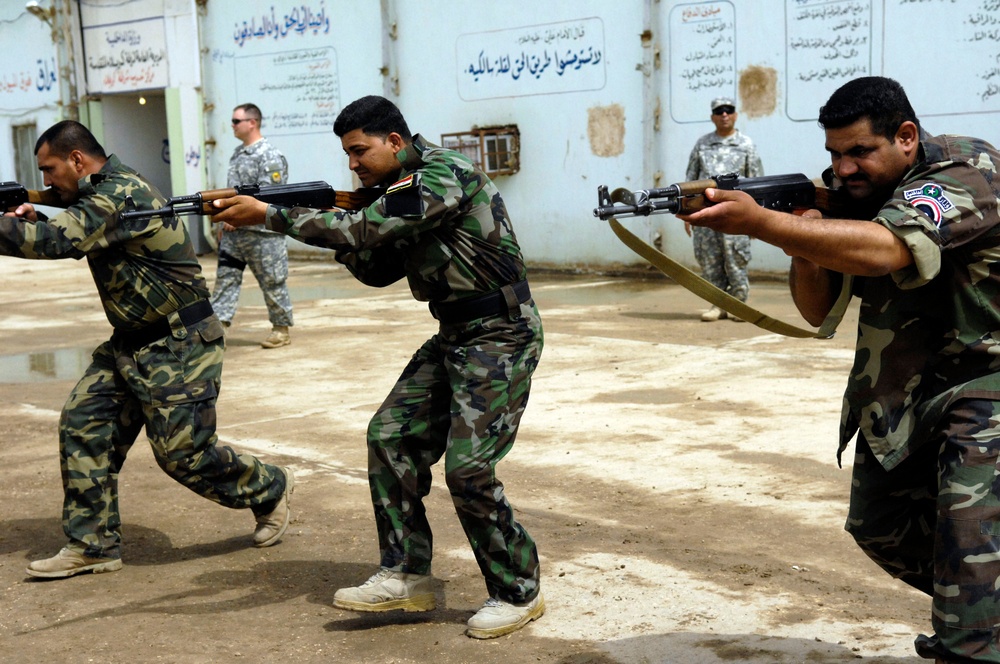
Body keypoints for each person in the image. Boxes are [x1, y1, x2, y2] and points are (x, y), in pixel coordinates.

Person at [679, 76, 1000, 662]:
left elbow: (887, 249)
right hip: (904, 390)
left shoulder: (967, 172)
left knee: (969, 550)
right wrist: (801, 236)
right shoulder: (849, 194)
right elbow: (815, 307)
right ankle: (976, 614)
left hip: (984, 387)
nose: (843, 169)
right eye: (833, 153)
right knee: (881, 525)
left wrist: (761, 223)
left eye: (859, 152)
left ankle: (971, 632)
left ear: (906, 136)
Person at [212, 95, 544, 639]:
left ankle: (517, 591)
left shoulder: (441, 174)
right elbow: (375, 266)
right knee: (389, 435)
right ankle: (407, 573)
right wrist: (345, 223)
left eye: (360, 151)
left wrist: (272, 215)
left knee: (469, 470)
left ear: (395, 141)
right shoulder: (392, 193)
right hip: (455, 333)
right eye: (347, 155)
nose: (353, 164)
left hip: (501, 333)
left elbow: (368, 230)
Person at [2, 120, 293, 579]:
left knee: (185, 456)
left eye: (50, 169)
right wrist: (33, 215)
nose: (47, 181)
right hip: (130, 341)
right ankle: (93, 545)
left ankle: (270, 488)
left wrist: (25, 226)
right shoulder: (101, 193)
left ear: (77, 160)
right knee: (83, 425)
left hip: (178, 342)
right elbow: (75, 230)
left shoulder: (120, 192)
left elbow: (59, 241)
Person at [211, 103, 294, 349]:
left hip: (263, 235)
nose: (232, 125)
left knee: (272, 281)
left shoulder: (270, 155)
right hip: (234, 234)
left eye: (236, 121)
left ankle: (281, 329)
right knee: (225, 280)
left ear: (252, 123)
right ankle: (218, 330)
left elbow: (271, 196)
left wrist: (240, 217)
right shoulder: (237, 153)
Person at [683, 96, 763, 322]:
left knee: (736, 259)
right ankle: (717, 304)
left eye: (729, 110)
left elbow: (757, 181)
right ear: (712, 117)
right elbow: (690, 180)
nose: (724, 114)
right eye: (719, 111)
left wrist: (758, 219)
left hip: (737, 214)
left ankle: (738, 305)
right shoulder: (702, 144)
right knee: (710, 260)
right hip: (706, 214)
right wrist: (687, 213)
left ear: (736, 115)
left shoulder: (746, 144)